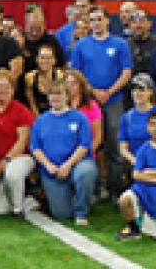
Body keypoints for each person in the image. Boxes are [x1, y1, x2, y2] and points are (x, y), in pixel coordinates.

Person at [68, 5, 134, 194]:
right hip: (88, 102)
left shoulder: (120, 44)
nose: (96, 23)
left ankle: (115, 189)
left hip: (114, 100)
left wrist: (109, 92)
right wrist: (94, 91)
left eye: (99, 19)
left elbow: (127, 71)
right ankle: (93, 188)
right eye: (92, 20)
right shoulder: (81, 46)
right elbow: (76, 74)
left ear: (107, 21)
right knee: (90, 143)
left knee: (115, 145)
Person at [30, 79, 98, 225]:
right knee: (62, 214)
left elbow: (84, 146)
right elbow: (36, 148)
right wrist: (48, 165)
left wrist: (68, 165)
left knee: (85, 173)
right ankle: (74, 198)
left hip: (77, 164)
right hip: (52, 170)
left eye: (59, 94)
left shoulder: (79, 118)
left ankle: (81, 211)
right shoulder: (40, 121)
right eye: (52, 94)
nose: (55, 97)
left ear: (67, 96)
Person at [115, 110, 156, 241]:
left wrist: (146, 172)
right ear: (148, 128)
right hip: (141, 189)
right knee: (123, 200)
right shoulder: (143, 149)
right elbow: (136, 174)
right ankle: (133, 228)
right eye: (152, 125)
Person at [0, 69, 35, 216]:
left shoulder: (21, 111)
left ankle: (19, 208)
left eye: (7, 86)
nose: (3, 90)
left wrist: (5, 161)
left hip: (19, 158)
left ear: (13, 89)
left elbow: (22, 141)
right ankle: (24, 199)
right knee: (0, 210)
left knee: (13, 174)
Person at [118, 74, 156, 188]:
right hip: (135, 165)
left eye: (141, 89)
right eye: (134, 89)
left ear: (150, 92)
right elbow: (123, 148)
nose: (137, 93)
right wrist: (137, 162)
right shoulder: (126, 118)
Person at [20, 45, 60, 114]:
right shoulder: (30, 78)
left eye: (49, 58)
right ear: (37, 60)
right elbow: (32, 104)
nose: (45, 61)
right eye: (42, 58)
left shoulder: (61, 77)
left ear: (54, 60)